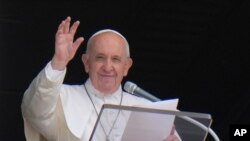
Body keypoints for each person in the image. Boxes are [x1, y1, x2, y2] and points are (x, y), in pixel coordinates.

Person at [21, 17, 180, 141]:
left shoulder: (147, 109)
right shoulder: (63, 97)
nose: (107, 67)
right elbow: (35, 110)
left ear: (126, 66)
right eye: (100, 58)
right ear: (86, 63)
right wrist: (59, 62)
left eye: (116, 59)